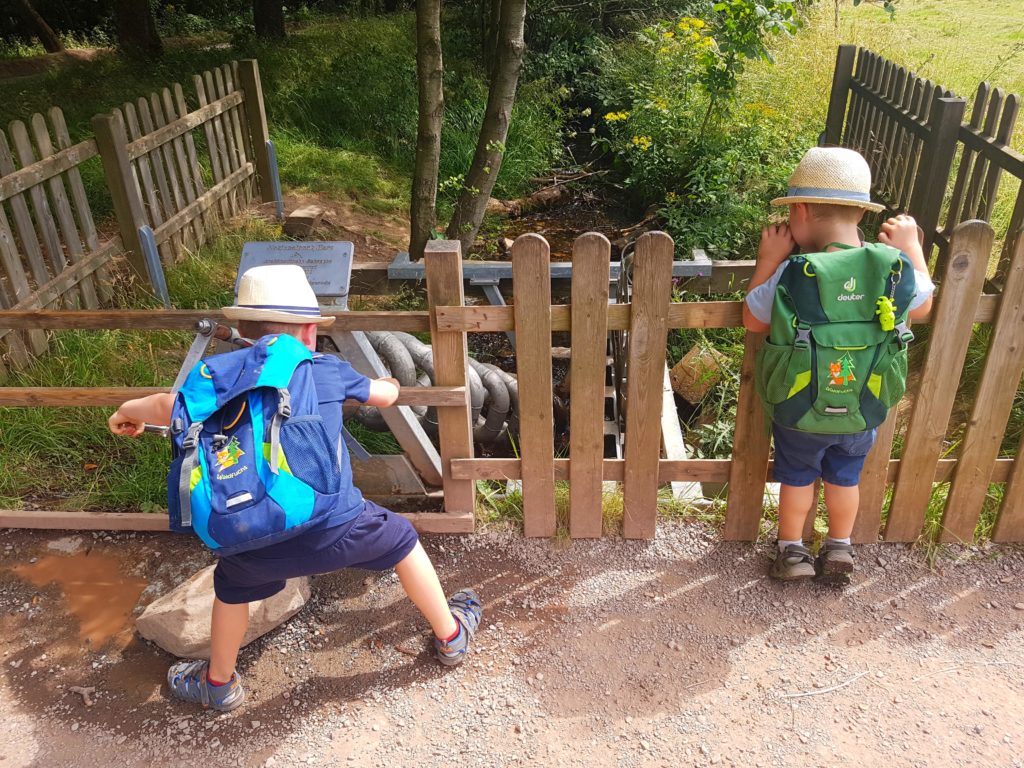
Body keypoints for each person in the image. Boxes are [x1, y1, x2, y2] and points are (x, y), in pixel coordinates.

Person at [108, 264, 482, 711]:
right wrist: (390, 384)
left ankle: (219, 684)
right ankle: (451, 635)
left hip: (250, 539)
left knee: (229, 591)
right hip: (339, 527)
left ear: (244, 331)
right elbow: (384, 398)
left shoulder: (215, 375)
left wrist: (125, 413)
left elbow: (164, 405)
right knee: (404, 541)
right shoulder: (325, 370)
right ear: (308, 332)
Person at [742, 147, 935, 582]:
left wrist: (769, 260)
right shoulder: (890, 268)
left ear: (803, 211)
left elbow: (753, 319)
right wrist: (912, 249)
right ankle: (840, 549)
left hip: (799, 407)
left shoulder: (797, 269)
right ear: (860, 214)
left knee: (797, 479)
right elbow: (922, 307)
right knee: (845, 479)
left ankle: (792, 552)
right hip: (862, 407)